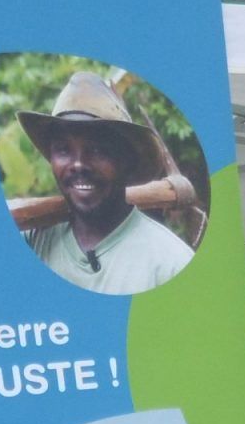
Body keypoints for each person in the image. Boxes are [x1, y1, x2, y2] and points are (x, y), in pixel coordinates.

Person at [17, 71, 194, 296]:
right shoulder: (31, 242)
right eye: (64, 150)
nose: (78, 164)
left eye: (97, 150)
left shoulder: (171, 264)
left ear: (126, 161)